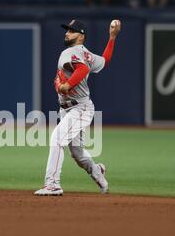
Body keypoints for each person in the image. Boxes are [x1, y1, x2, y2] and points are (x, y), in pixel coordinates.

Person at [34, 19, 121, 196]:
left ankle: (52, 184)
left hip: (79, 108)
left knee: (57, 139)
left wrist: (68, 85)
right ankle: (98, 172)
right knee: (78, 154)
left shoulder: (71, 52)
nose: (67, 33)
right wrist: (112, 38)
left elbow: (82, 70)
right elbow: (105, 60)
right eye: (67, 30)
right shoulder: (86, 54)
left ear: (81, 36)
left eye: (71, 31)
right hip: (69, 109)